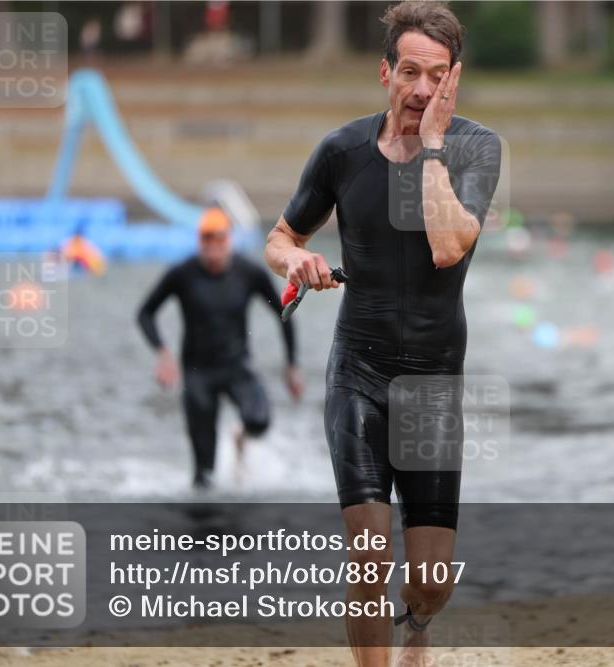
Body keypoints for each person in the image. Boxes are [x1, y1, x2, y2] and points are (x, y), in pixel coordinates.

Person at [263, 2, 501, 665]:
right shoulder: (342, 151)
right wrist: (296, 260)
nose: (421, 90)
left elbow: (448, 246)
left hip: (432, 385)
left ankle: (417, 626)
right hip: (359, 372)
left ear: (454, 80)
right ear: (385, 72)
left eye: (437, 76)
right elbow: (279, 238)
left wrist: (432, 148)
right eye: (409, 73)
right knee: (368, 557)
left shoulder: (477, 149)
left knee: (430, 583)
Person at [138, 208, 303, 488]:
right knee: (204, 475)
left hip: (236, 366)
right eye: (206, 239)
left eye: (219, 239)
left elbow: (284, 314)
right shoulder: (182, 274)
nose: (213, 247)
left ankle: (240, 438)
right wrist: (163, 353)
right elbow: (145, 313)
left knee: (259, 421)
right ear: (199, 241)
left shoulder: (249, 273)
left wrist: (291, 365)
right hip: (197, 373)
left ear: (229, 239)